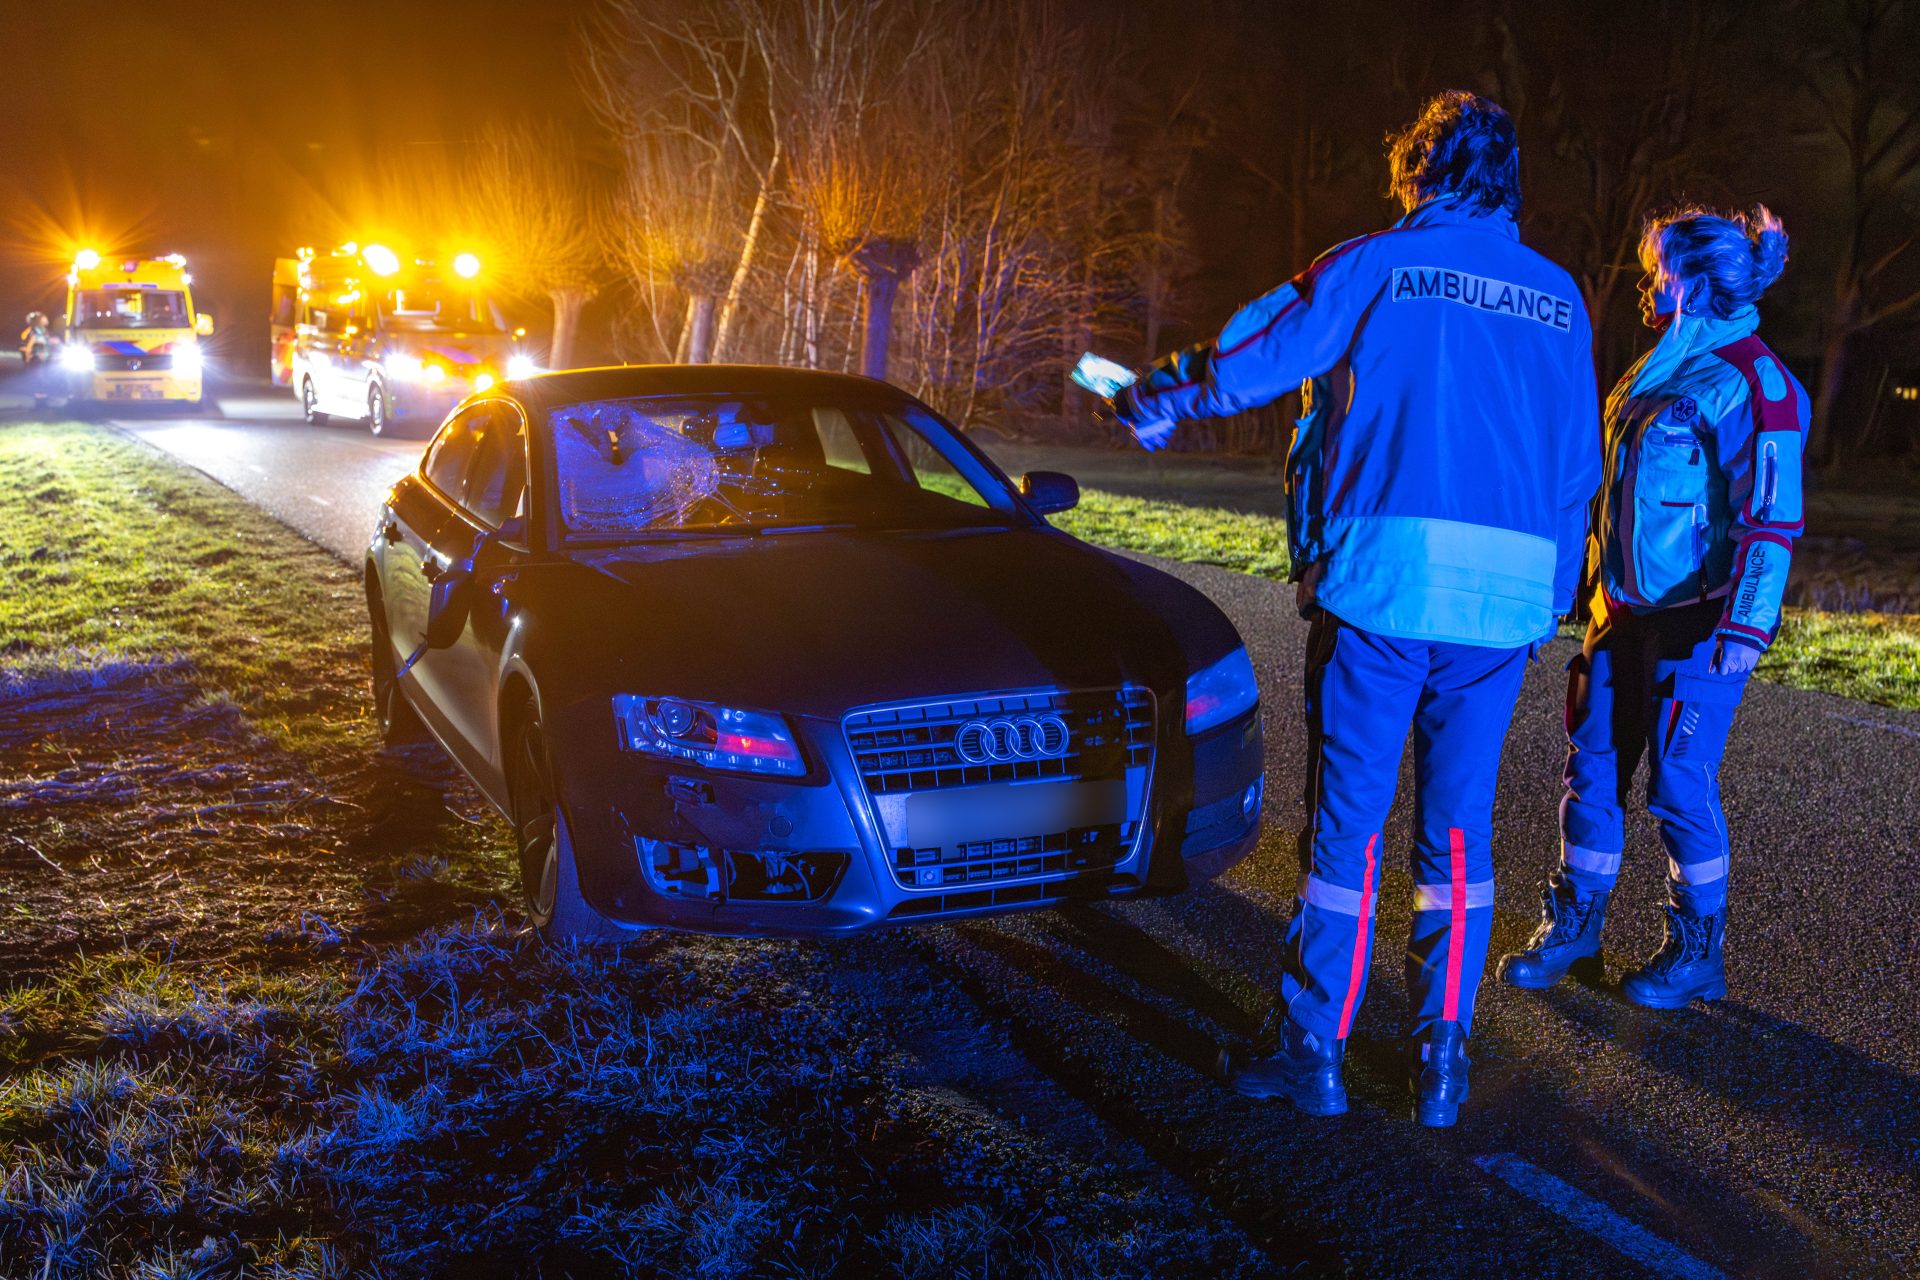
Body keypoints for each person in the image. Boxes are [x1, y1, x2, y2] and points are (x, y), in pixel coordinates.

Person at [1108, 91, 1600, 1127]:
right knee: (1460, 833)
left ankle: (1312, 1050)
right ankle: (1442, 1060)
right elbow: (1574, 467)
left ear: (1417, 172)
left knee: (1349, 832)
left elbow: (1263, 352)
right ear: (1508, 180)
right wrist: (1552, 595)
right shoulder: (1559, 298)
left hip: (1384, 585)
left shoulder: (1376, 265)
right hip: (1504, 603)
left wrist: (1163, 392)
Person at [1499, 206, 1805, 1009]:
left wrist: (1744, 628)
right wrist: (1574, 594)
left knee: (1679, 784)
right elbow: (1606, 498)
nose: (1649, 281)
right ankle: (1576, 926)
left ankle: (1698, 950)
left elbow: (1771, 518)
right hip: (1617, 615)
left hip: (1699, 624)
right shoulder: (1650, 372)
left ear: (1697, 279)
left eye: (1660, 267)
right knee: (1590, 772)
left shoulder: (1754, 380)